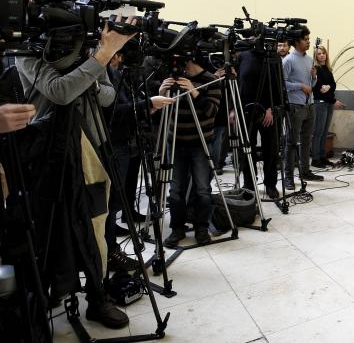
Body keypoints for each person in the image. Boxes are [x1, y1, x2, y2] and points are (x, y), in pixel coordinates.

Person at [15, 18, 136, 329]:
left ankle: (98, 297)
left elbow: (108, 96)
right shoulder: (29, 51)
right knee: (48, 226)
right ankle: (46, 292)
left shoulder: (90, 50)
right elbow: (60, 92)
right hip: (47, 152)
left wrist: (92, 73)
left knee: (97, 223)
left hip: (92, 146)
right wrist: (100, 58)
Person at [103, 51, 173, 271]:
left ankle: (111, 244)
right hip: (113, 144)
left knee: (116, 201)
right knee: (110, 203)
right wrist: (148, 103)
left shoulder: (115, 73)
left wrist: (147, 105)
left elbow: (129, 104)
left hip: (125, 142)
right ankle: (110, 252)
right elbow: (112, 114)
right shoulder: (102, 74)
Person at [159, 58, 221, 248]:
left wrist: (194, 91)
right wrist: (162, 93)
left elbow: (211, 111)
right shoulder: (175, 78)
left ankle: (201, 228)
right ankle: (177, 228)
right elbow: (163, 108)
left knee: (202, 189)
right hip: (175, 143)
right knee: (175, 190)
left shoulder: (211, 80)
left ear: (191, 60)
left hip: (200, 144)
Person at [236, 45, 283, 200]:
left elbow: (277, 85)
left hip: (267, 111)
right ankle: (249, 183)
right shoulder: (243, 56)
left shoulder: (273, 57)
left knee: (270, 148)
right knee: (246, 149)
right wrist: (233, 109)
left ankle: (270, 184)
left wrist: (271, 108)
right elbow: (237, 84)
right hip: (246, 110)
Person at [282, 27, 323, 189]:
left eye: (308, 39)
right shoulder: (288, 60)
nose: (308, 42)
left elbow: (311, 84)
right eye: (305, 39)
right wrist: (300, 86)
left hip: (309, 105)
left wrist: (314, 77)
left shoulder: (309, 60)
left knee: (307, 140)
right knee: (291, 142)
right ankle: (288, 177)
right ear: (296, 42)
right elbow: (282, 84)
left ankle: (305, 171)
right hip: (295, 106)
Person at [311, 45, 344, 167]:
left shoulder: (327, 68)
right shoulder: (316, 69)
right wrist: (334, 100)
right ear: (315, 56)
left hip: (329, 103)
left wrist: (329, 86)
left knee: (324, 132)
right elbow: (319, 90)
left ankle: (322, 156)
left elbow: (333, 84)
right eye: (319, 54)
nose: (321, 55)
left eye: (323, 53)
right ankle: (315, 159)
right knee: (318, 132)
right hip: (320, 103)